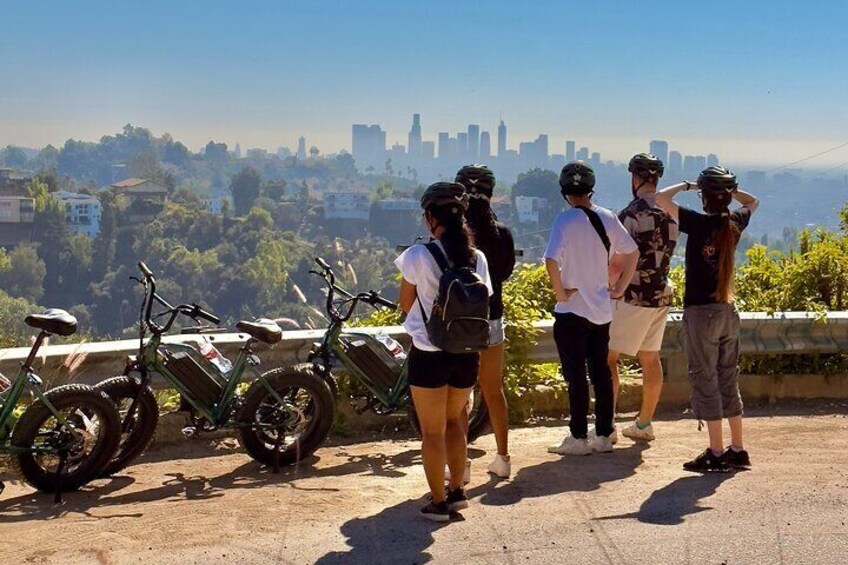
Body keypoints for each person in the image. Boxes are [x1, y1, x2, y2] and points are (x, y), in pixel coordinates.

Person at [395, 181, 493, 521]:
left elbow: (405, 303)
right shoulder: (477, 258)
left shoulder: (418, 255)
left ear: (430, 219)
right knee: (455, 423)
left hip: (429, 352)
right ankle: (458, 492)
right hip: (467, 352)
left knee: (432, 431)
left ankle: (438, 503)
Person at [655, 166, 759, 472]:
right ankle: (737, 449)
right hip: (728, 311)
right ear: (725, 197)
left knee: (705, 378)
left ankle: (715, 452)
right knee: (728, 377)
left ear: (704, 197)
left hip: (701, 313)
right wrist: (731, 190)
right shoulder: (734, 221)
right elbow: (753, 202)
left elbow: (660, 198)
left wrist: (689, 184)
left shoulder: (698, 223)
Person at [544, 161, 639, 456]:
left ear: (565, 191)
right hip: (601, 309)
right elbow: (632, 251)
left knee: (576, 376)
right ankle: (603, 435)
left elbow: (550, 260)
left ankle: (577, 437)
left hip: (572, 311)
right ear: (590, 188)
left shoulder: (564, 221)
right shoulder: (608, 217)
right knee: (601, 372)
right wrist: (621, 286)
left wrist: (561, 293)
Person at [607, 153, 679, 443]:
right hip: (662, 292)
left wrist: (608, 287)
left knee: (607, 357)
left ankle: (606, 426)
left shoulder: (630, 214)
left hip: (633, 294)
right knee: (650, 358)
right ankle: (644, 423)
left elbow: (618, 263)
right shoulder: (672, 214)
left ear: (634, 178)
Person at [455, 164, 516, 478]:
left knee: (462, 394)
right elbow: (504, 273)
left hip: (460, 323)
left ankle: (461, 465)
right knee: (494, 391)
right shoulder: (502, 233)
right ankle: (503, 458)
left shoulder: (455, 235)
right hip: (493, 318)